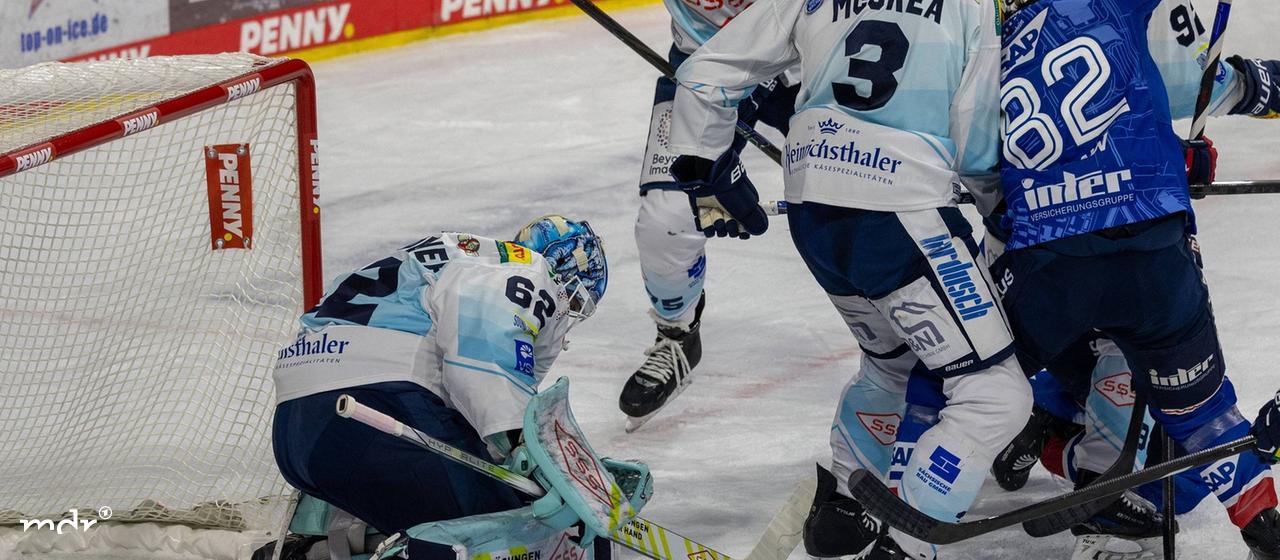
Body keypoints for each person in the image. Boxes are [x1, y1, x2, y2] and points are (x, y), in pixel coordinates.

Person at [665, 0, 1033, 558]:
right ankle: (909, 541)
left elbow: (705, 71)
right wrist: (1006, 210)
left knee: (890, 365)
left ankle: (842, 504)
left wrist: (709, 170)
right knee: (996, 394)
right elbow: (978, 133)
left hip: (815, 216)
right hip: (901, 218)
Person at [988, 0, 1280, 557]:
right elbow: (1182, 82)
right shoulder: (1110, 10)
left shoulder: (981, 27)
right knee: (1165, 408)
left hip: (1038, 251)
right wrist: (1170, 159)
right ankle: (1064, 449)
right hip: (1133, 243)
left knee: (971, 381)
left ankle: (1034, 434)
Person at [270, 215, 617, 559]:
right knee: (502, 531)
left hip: (297, 429)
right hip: (377, 408)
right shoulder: (527, 270)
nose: (565, 313)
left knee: (424, 519)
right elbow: (483, 360)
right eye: (573, 302)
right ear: (565, 276)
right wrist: (525, 446)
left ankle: (315, 553)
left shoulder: (449, 255)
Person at [618, 0, 800, 431]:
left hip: (813, 57)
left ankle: (948, 360)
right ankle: (678, 332)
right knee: (665, 219)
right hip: (706, 66)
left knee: (874, 195)